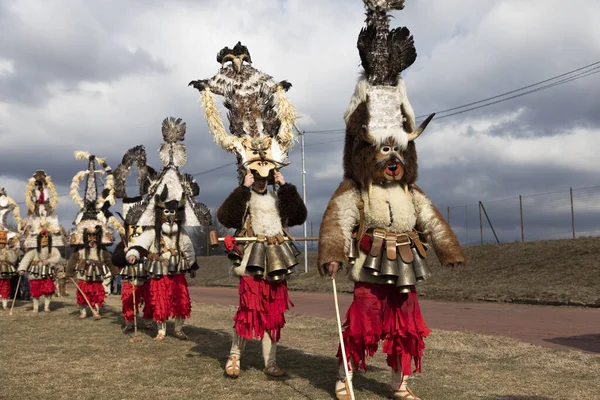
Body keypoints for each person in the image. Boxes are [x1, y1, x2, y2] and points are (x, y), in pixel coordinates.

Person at [317, 2, 466, 399]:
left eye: (397, 152)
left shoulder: (411, 193)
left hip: (406, 264)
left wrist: (448, 249)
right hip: (368, 265)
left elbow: (431, 221)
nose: (392, 160)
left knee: (407, 325)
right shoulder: (355, 189)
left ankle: (402, 383)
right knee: (362, 321)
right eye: (383, 152)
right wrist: (332, 252)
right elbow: (336, 221)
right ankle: (344, 376)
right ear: (368, 153)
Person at [191, 43, 306, 378]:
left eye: (264, 172)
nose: (261, 175)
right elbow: (225, 218)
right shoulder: (243, 195)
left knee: (274, 313)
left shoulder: (277, 193)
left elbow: (297, 216)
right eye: (256, 172)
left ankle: (271, 362)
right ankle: (235, 357)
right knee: (248, 310)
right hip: (250, 258)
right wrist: (243, 187)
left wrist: (285, 186)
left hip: (278, 258)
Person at [125, 117, 211, 340]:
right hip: (158, 269)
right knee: (160, 299)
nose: (170, 218)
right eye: (166, 213)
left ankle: (179, 329)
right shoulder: (153, 232)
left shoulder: (180, 234)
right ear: (161, 213)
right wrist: (133, 254)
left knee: (181, 299)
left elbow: (188, 247)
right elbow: (140, 243)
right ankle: (162, 329)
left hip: (177, 270)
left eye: (174, 214)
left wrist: (192, 264)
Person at [65, 152, 120, 319]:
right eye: (88, 238)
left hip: (96, 275)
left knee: (96, 292)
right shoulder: (80, 251)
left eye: (93, 238)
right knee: (82, 292)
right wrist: (69, 271)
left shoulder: (102, 251)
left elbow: (109, 261)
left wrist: (115, 273)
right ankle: (83, 311)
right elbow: (73, 260)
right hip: (83, 274)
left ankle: (96, 309)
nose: (91, 241)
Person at [17, 171, 65, 313]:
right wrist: (22, 269)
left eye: (46, 239)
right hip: (35, 272)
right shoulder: (34, 250)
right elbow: (27, 258)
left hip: (47, 271)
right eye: (42, 239)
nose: (44, 241)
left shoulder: (52, 249)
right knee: (36, 289)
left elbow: (57, 256)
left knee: (48, 289)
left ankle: (47, 306)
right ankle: (36, 307)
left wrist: (49, 261)